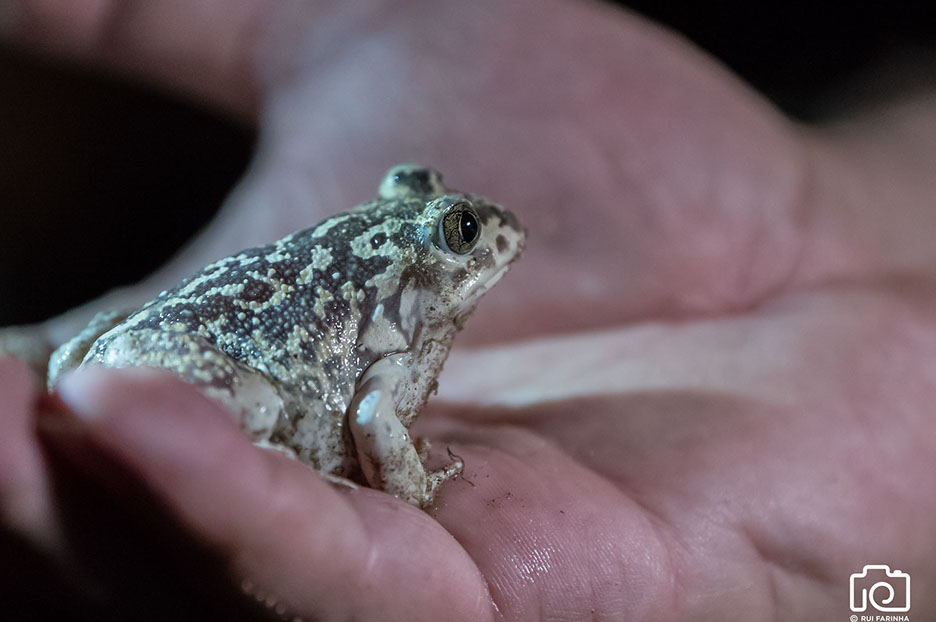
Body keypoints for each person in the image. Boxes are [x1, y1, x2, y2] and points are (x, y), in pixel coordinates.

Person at [2, 1, 934, 619]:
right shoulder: (389, 319)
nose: (483, 235)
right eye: (457, 231)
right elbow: (375, 416)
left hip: (146, 342)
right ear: (419, 258)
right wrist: (410, 487)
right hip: (191, 368)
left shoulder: (394, 298)